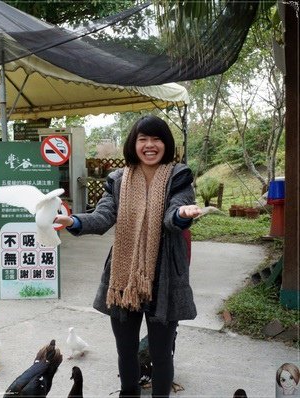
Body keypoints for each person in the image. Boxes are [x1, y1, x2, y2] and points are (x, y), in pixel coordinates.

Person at [54, 115, 202, 398]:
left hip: (164, 275)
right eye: (142, 139)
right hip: (123, 276)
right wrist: (73, 222)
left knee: (160, 353)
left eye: (156, 139)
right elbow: (104, 216)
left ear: (166, 143)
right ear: (133, 144)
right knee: (126, 349)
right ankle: (129, 393)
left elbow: (175, 213)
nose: (149, 145)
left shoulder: (179, 176)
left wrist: (181, 215)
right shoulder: (118, 179)